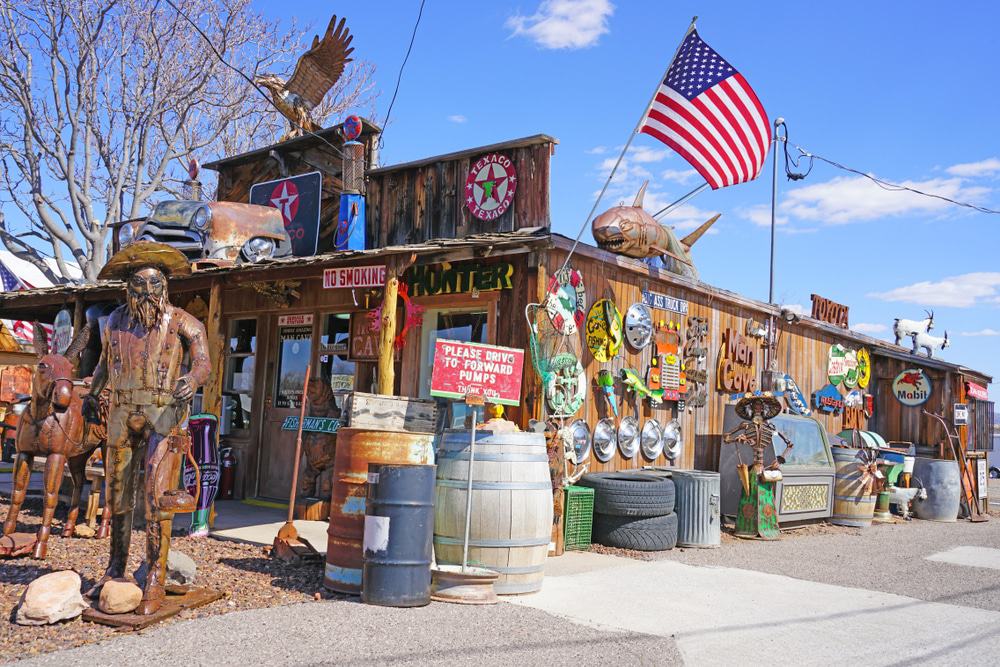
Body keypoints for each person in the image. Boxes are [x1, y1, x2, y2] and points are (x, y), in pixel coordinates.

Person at [82, 241, 210, 615]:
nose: (147, 292)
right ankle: (115, 569)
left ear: (165, 286)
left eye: (154, 284)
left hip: (164, 411)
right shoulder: (115, 322)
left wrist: (192, 379)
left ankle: (155, 574)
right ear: (127, 287)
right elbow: (105, 363)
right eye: (139, 285)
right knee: (117, 492)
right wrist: (93, 394)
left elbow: (203, 361)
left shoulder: (184, 321)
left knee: (158, 493)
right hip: (122, 409)